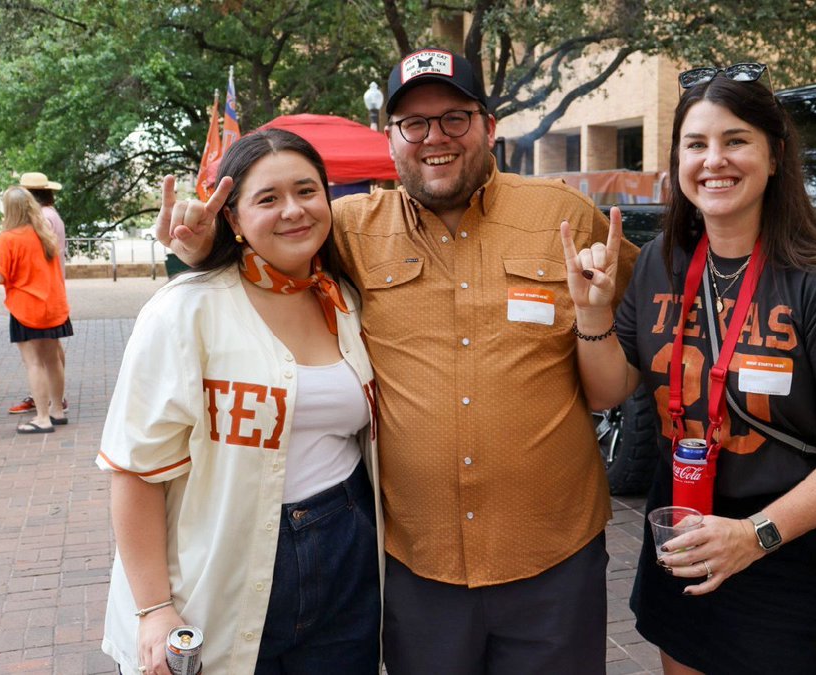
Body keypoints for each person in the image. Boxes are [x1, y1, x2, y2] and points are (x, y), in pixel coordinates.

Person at [160, 48, 639, 674]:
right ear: (391, 140)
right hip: (417, 566)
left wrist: (597, 320)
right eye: (413, 123)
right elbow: (269, 252)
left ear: (489, 126)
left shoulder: (563, 215)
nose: (434, 137)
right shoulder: (347, 229)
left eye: (454, 118)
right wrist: (204, 251)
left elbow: (621, 364)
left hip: (556, 557)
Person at [561, 65, 816, 674]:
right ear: (677, 163)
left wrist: (752, 536)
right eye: (696, 144)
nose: (714, 160)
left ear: (775, 156)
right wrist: (592, 312)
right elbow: (609, 392)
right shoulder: (661, 263)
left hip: (784, 545)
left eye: (736, 140)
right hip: (682, 529)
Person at [98, 129, 382, 675]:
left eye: (307, 191)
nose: (293, 210)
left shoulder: (344, 297)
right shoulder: (185, 311)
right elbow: (134, 470)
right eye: (268, 199)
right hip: (220, 565)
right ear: (232, 217)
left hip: (347, 552)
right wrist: (154, 609)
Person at [0, 187, 71, 433]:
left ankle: (42, 418)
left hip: (27, 308)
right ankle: (56, 410)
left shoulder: (9, 238)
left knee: (34, 363)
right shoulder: (45, 234)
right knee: (53, 360)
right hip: (53, 304)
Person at [11, 172, 69, 418]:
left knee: (40, 356)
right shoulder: (51, 215)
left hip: (40, 291)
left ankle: (48, 399)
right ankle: (55, 398)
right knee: (52, 350)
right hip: (53, 288)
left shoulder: (42, 218)